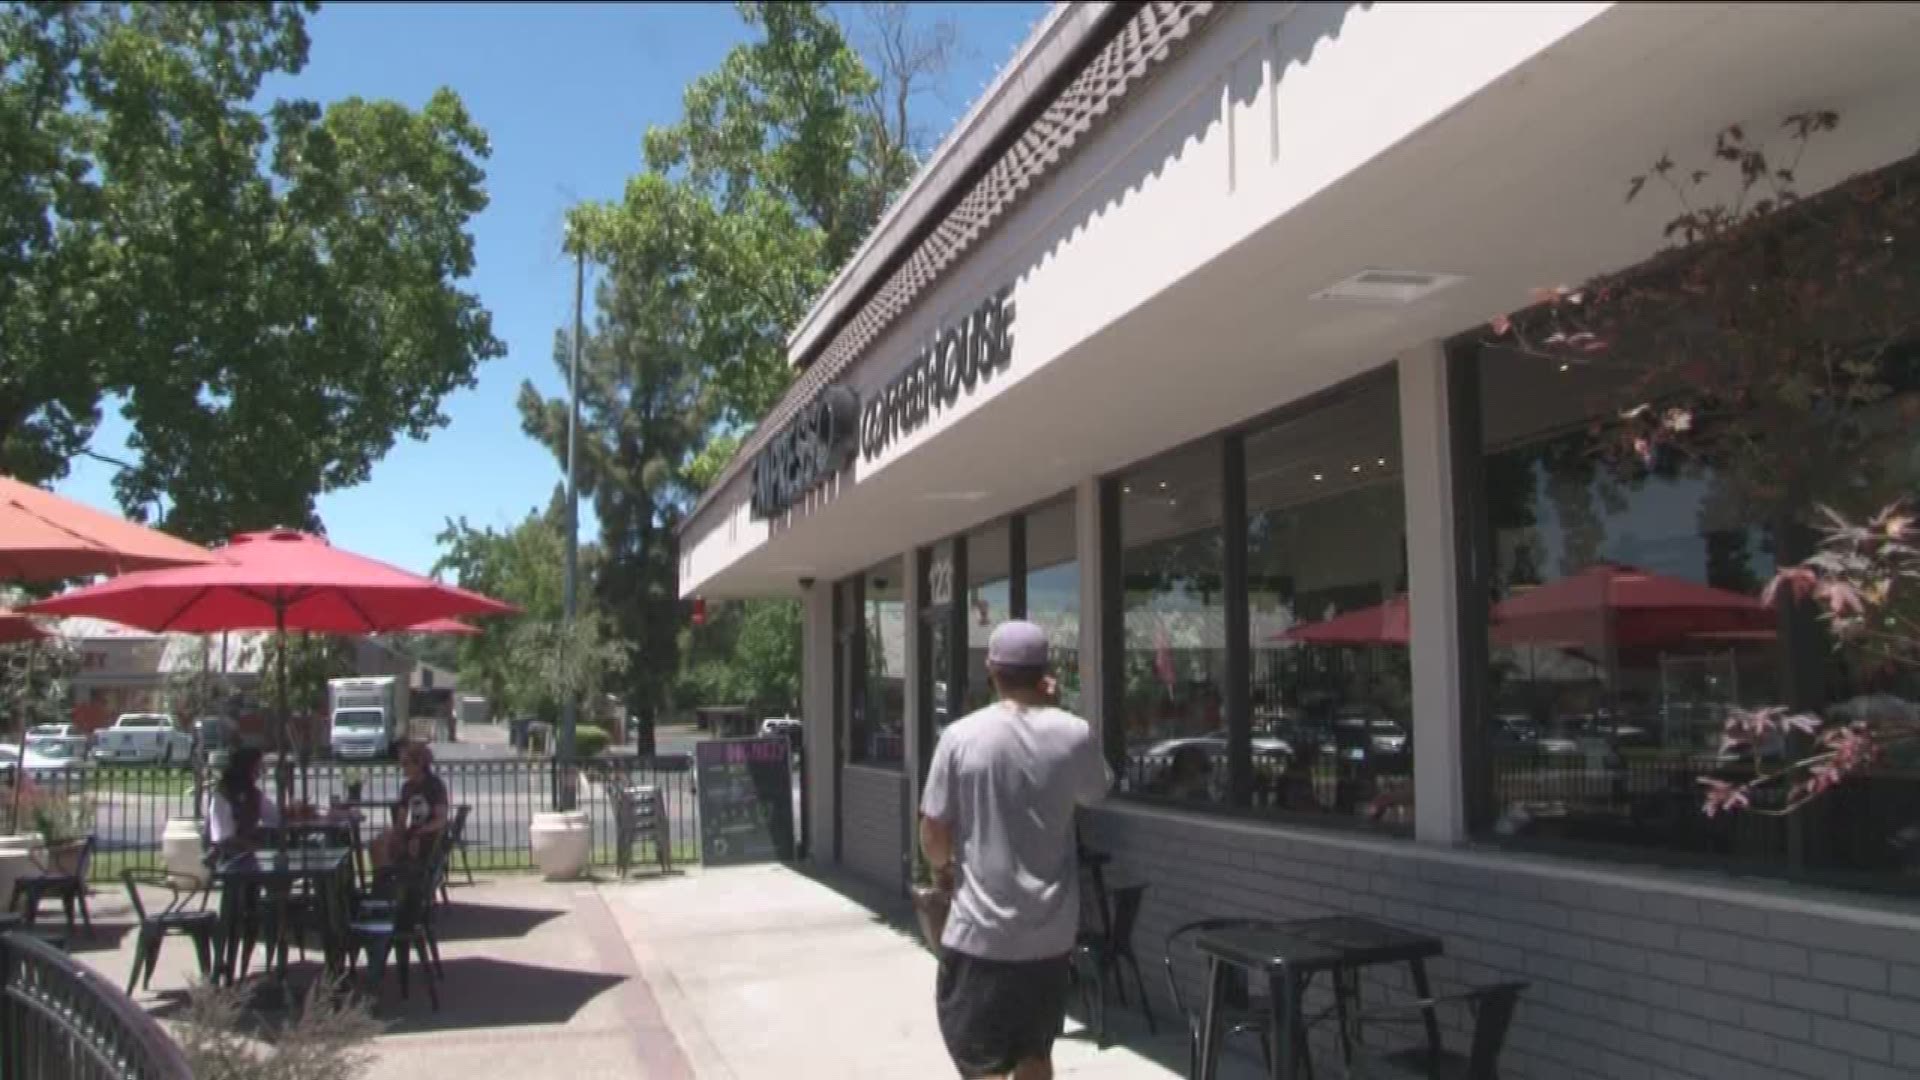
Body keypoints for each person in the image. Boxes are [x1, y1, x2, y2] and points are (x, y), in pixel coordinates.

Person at [920, 620, 1112, 1080]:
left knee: (979, 1063)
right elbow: (1096, 792)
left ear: (991, 669)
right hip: (1049, 937)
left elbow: (934, 830)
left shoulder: (961, 737)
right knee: (1035, 1055)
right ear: (1045, 671)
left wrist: (942, 871)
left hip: (981, 935)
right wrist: (1055, 712)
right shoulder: (1074, 733)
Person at [371, 741, 450, 868]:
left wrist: (419, 832)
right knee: (378, 843)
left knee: (410, 845)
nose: (402, 767)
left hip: (430, 836)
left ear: (419, 764)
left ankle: (400, 881)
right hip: (413, 834)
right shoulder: (407, 787)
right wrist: (395, 833)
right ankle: (385, 881)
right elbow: (401, 820)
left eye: (406, 763)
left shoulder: (435, 785)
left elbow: (441, 820)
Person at [206, 747, 281, 860]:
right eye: (258, 767)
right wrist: (253, 846)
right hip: (226, 859)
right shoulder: (222, 796)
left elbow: (274, 818)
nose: (262, 772)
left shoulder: (253, 793)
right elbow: (223, 837)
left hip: (248, 856)